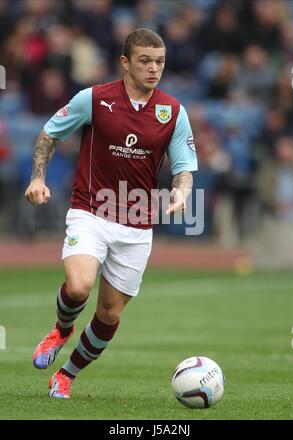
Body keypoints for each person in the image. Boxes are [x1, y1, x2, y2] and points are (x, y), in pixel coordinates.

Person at [25, 28, 198, 399]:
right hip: (90, 210)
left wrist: (181, 194)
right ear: (125, 62)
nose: (154, 69)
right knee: (78, 286)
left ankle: (66, 375)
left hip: (137, 224)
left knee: (109, 315)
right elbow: (49, 134)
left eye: (160, 62)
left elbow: (184, 168)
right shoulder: (94, 99)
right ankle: (61, 329)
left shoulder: (173, 112)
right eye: (145, 61)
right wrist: (38, 177)